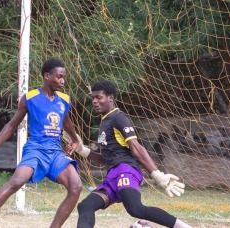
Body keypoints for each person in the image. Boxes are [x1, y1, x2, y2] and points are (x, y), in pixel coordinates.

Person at [0, 58, 83, 228]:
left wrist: (75, 139)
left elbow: (66, 122)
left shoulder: (64, 100)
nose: (62, 81)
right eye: (59, 77)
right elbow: (11, 125)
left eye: (64, 77)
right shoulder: (30, 97)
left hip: (55, 152)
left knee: (76, 186)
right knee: (16, 182)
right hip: (35, 149)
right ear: (47, 75)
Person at [63, 80, 191, 228]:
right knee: (86, 206)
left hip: (126, 171)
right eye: (93, 98)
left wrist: (157, 174)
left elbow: (136, 148)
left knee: (135, 209)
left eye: (99, 97)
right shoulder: (105, 121)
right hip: (113, 175)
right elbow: (106, 159)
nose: (95, 101)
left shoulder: (118, 118)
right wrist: (82, 149)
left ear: (110, 97)